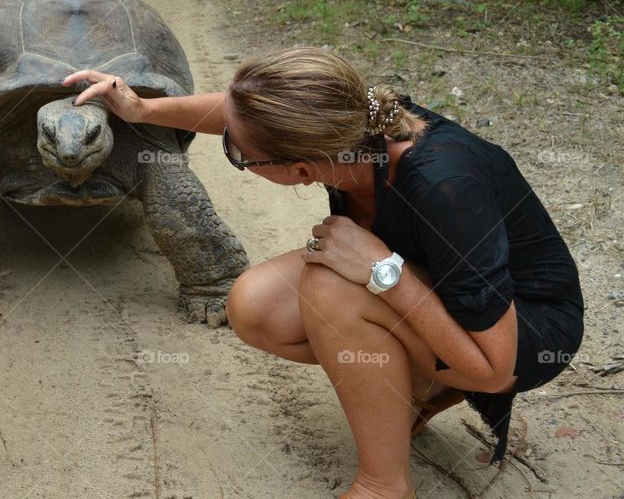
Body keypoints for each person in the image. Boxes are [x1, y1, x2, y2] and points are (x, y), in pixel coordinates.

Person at [60, 47, 584, 499]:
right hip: (450, 296)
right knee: (257, 306)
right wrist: (142, 108)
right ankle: (415, 389)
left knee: (331, 285)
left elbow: (494, 370)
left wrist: (384, 272)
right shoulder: (347, 123)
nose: (232, 146)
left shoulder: (444, 185)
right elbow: (242, 115)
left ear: (300, 171)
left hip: (522, 334)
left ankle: (384, 483)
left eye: (238, 154)